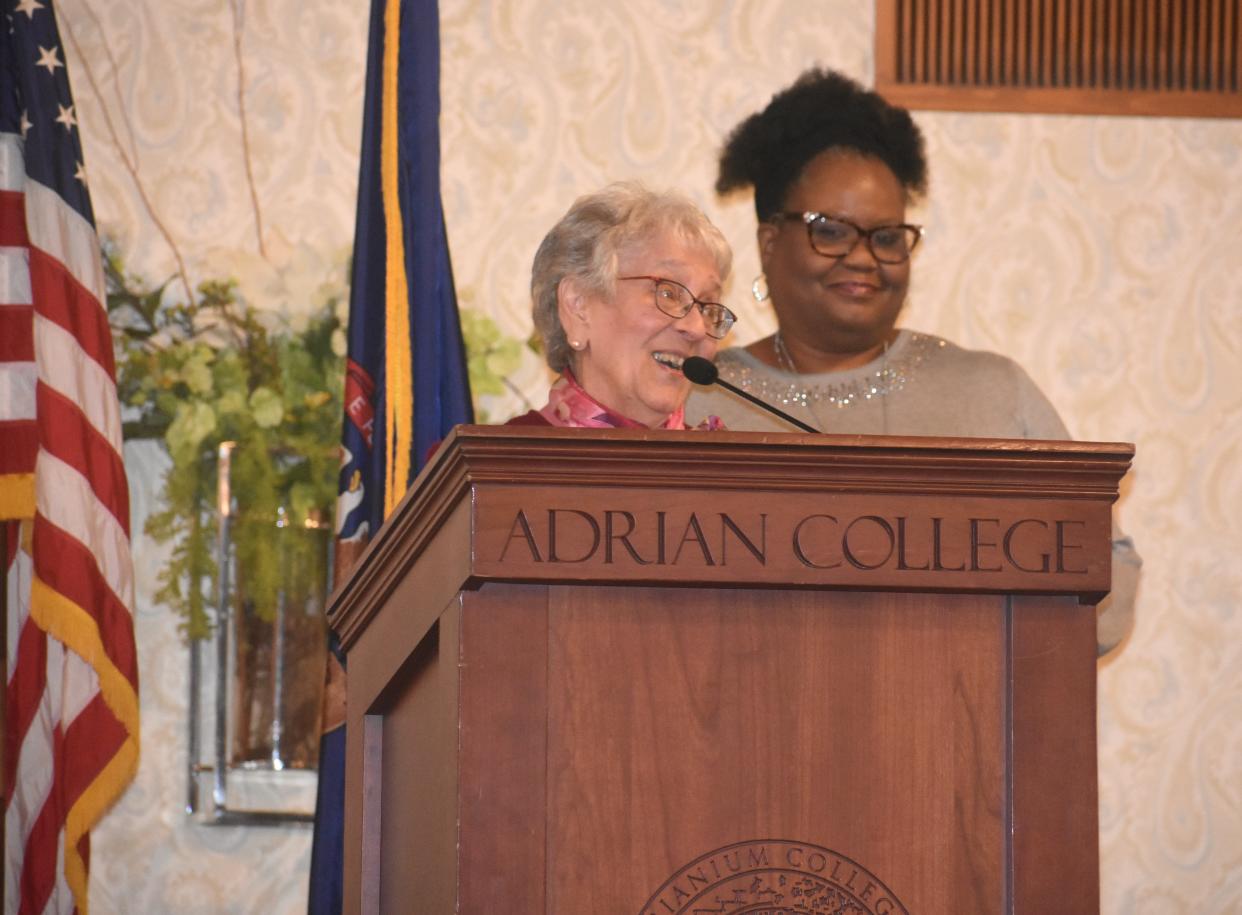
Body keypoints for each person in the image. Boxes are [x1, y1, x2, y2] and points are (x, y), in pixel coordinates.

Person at [685, 68, 1140, 654]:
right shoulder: (701, 398)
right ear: (770, 243)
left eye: (887, 236)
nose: (863, 257)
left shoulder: (991, 393)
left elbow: (1102, 572)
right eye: (831, 231)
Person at [508, 182, 734, 430]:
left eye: (708, 306)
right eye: (668, 293)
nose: (696, 328)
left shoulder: (721, 464)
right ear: (578, 305)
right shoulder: (501, 462)